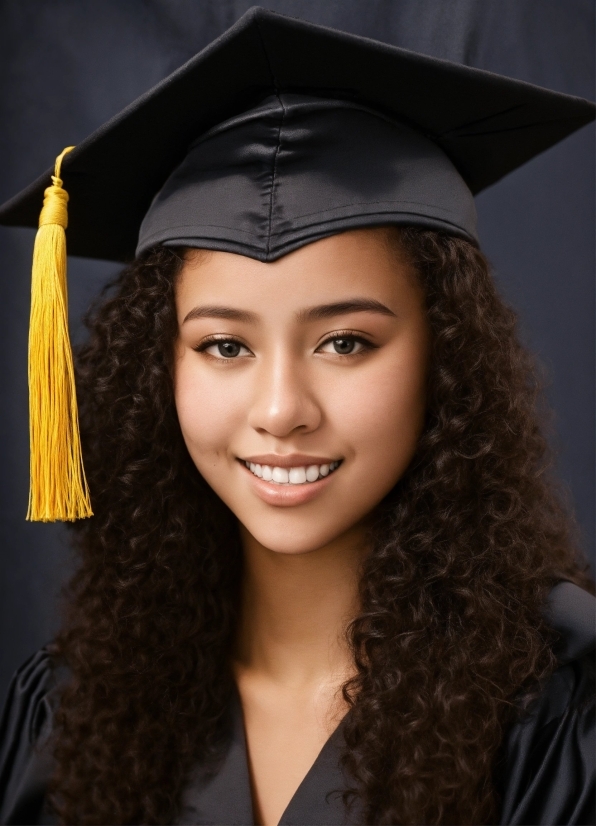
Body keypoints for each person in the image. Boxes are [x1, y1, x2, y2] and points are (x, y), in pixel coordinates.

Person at [0, 7, 594, 825]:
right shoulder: (76, 703)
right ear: (158, 367)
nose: (281, 410)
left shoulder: (562, 699)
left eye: (346, 342)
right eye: (223, 347)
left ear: (446, 359)